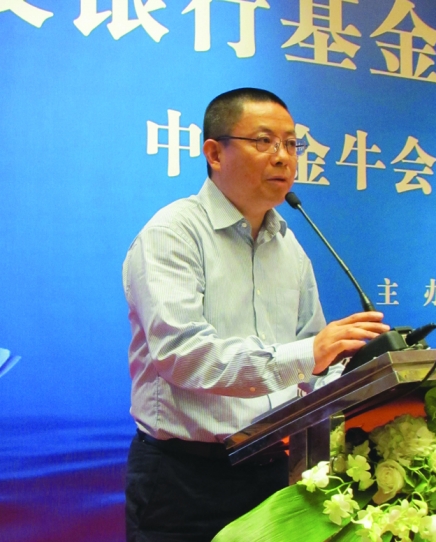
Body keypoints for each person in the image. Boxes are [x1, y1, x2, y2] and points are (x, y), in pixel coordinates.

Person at [122, 87, 389, 542]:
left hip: (274, 468)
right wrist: (310, 354)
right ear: (214, 153)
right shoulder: (172, 235)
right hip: (185, 478)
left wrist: (362, 371)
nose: (283, 157)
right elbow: (182, 355)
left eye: (291, 144)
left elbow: (312, 363)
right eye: (264, 141)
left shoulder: (289, 246)